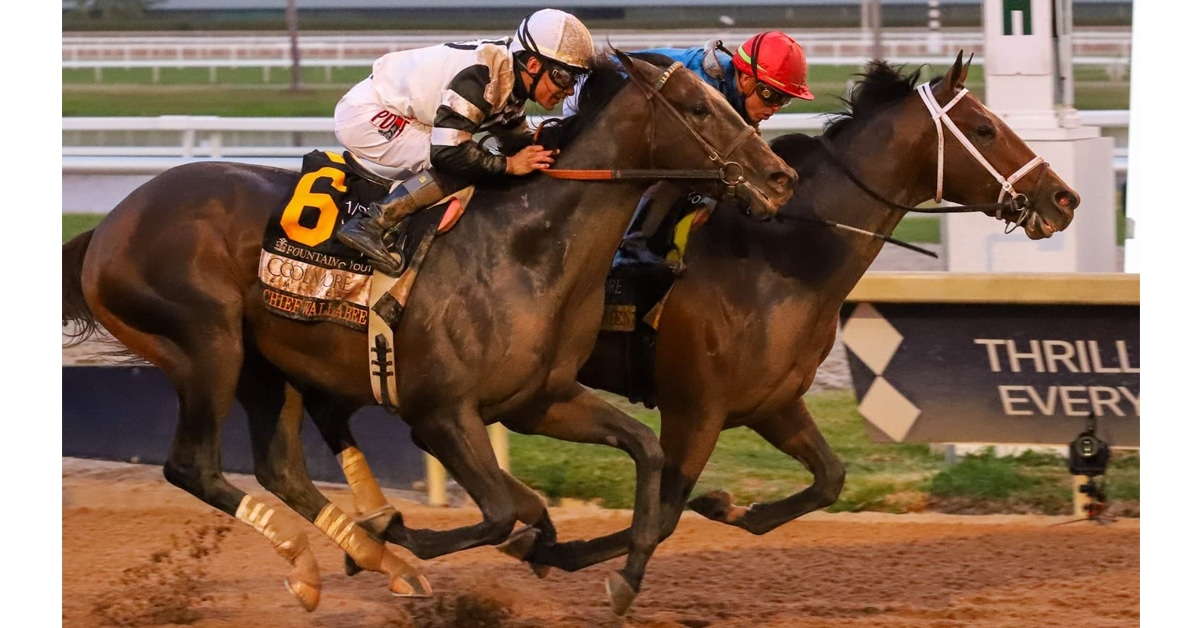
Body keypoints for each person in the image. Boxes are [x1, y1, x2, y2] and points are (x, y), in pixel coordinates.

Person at [333, 9, 595, 275]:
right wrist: (508, 165)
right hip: (367, 113)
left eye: (575, 79)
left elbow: (515, 140)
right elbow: (449, 153)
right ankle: (369, 224)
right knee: (461, 163)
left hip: (398, 109)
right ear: (534, 65)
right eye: (564, 77)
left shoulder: (510, 77)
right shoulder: (483, 77)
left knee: (477, 160)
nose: (569, 89)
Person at [594, 31, 814, 271]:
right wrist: (706, 201)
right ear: (746, 79)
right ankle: (628, 255)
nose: (775, 108)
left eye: (784, 100)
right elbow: (681, 159)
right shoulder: (702, 87)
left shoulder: (734, 91)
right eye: (772, 96)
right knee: (678, 178)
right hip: (596, 98)